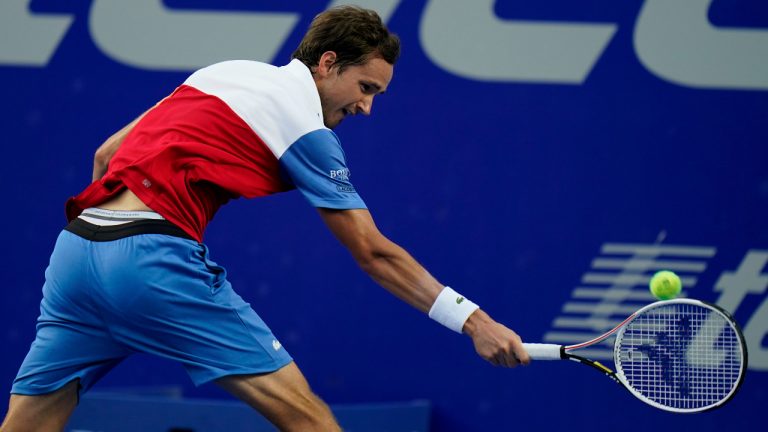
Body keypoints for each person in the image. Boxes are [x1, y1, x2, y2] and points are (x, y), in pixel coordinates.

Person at [1, 6, 530, 432]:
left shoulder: (224, 72)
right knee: (310, 420)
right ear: (327, 63)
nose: (367, 108)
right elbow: (372, 251)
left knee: (27, 425)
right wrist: (475, 323)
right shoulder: (305, 124)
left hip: (75, 255)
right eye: (366, 88)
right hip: (151, 262)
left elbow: (105, 156)